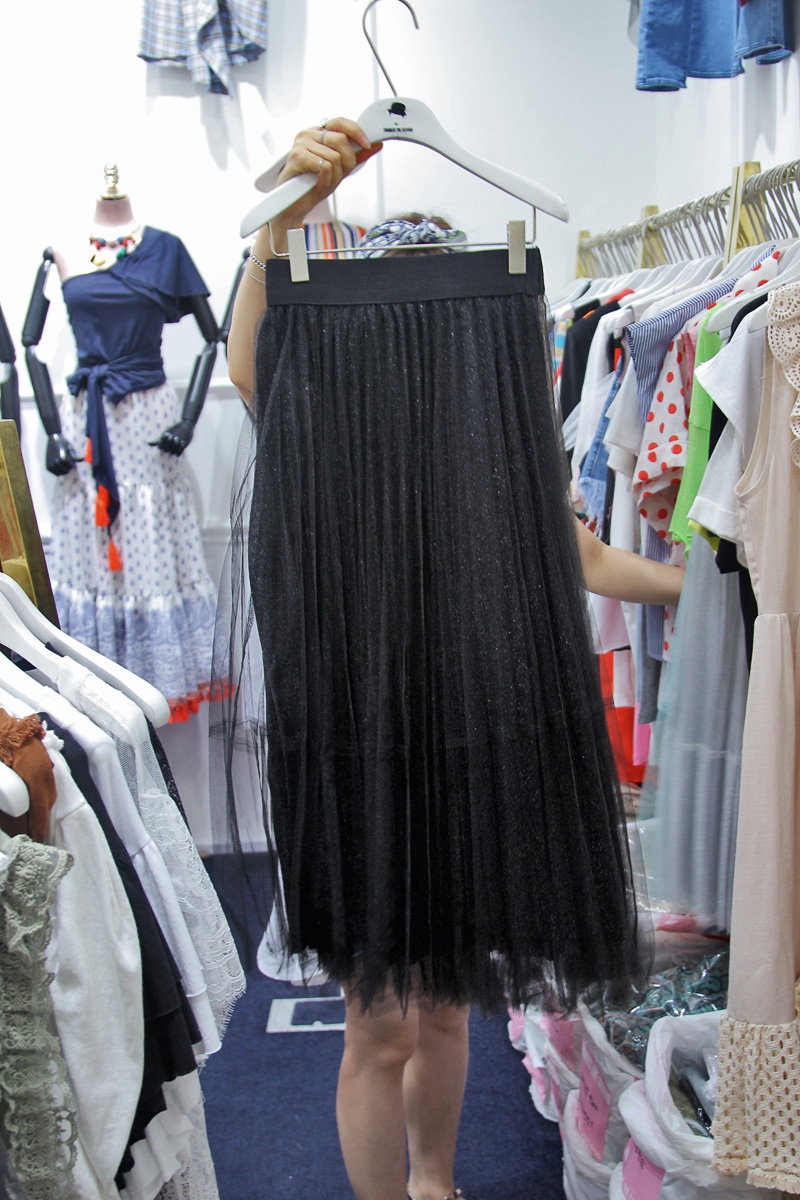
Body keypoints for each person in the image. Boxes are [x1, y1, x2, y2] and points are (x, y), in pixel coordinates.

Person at [227, 117, 683, 1200]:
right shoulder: (316, 422)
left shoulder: (490, 430)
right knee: (378, 1023)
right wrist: (284, 218)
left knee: (443, 1006)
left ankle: (436, 1184)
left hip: (466, 734)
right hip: (356, 744)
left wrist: (716, 585)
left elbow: (578, 552)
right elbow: (251, 366)